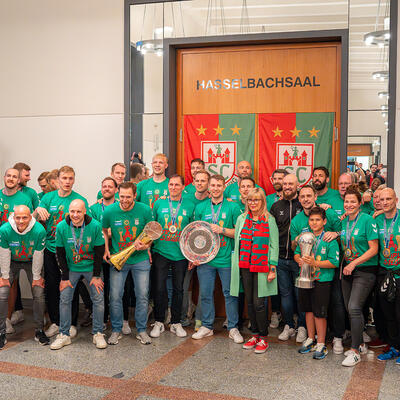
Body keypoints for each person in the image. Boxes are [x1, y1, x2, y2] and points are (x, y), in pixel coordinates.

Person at [35, 166, 89, 338]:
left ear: (74, 180)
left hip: (70, 251)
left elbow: (86, 226)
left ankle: (71, 323)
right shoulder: (48, 198)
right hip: (51, 248)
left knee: (69, 286)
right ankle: (56, 322)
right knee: (51, 287)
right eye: (64, 178)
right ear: (57, 180)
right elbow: (35, 218)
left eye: (70, 178)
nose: (67, 182)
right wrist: (37, 211)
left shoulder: (79, 200)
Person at [191, 175, 243, 343]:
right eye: (212, 185)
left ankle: (233, 327)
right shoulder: (200, 207)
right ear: (208, 187)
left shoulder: (233, 207)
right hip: (206, 260)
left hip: (226, 258)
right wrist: (195, 256)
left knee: (230, 294)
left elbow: (239, 233)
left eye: (218, 185)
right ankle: (207, 326)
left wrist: (222, 230)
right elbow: (194, 233)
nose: (215, 188)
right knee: (205, 294)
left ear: (223, 187)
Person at [50, 200, 106, 350]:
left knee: (98, 298)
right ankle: (64, 335)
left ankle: (98, 333)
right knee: (65, 298)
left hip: (91, 267)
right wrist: (64, 278)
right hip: (71, 268)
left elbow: (100, 252)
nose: (75, 215)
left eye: (79, 212)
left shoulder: (94, 225)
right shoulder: (62, 226)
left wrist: (96, 276)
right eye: (72, 211)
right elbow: (60, 254)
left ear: (85, 211)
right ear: (69, 211)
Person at [102, 182, 153, 345]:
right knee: (115, 296)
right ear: (118, 194)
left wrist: (147, 245)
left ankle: (142, 330)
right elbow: (103, 230)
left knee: (142, 295)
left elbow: (151, 232)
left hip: (141, 260)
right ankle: (116, 330)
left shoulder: (144, 210)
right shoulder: (109, 211)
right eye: (121, 196)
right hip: (119, 260)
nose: (124, 200)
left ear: (135, 195)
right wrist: (106, 249)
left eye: (128, 197)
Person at [230, 188, 279, 353]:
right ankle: (255, 335)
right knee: (249, 302)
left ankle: (264, 337)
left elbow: (274, 245)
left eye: (256, 200)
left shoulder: (269, 219)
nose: (252, 203)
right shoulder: (241, 218)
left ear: (262, 201)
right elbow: (237, 242)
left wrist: (272, 268)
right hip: (245, 265)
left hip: (262, 267)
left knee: (259, 304)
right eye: (250, 200)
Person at [150, 175, 195, 338]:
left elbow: (192, 231)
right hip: (161, 251)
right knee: (159, 288)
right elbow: (152, 228)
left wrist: (192, 255)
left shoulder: (190, 204)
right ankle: (159, 322)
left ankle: (176, 322)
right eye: (171, 184)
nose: (173, 187)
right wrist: (149, 248)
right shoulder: (159, 203)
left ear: (183, 187)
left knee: (178, 289)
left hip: (181, 254)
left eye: (177, 185)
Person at [340, 184, 378, 367]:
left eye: (352, 201)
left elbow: (374, 249)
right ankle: (361, 344)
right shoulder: (343, 221)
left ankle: (354, 351)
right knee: (350, 308)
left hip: (364, 270)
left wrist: (354, 263)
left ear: (360, 202)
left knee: (355, 307)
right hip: (348, 270)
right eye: (346, 201)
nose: (349, 204)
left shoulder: (367, 220)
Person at [0, 206, 48, 349]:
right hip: (12, 261)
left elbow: (39, 255)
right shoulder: (5, 229)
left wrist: (37, 277)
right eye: (18, 217)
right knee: (2, 292)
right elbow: (4, 254)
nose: (21, 221)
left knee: (38, 292)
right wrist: (4, 276)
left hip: (31, 261)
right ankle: (1, 332)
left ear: (30, 217)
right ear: (13, 217)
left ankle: (39, 330)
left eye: (25, 217)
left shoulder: (39, 230)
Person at [295, 207, 339, 360]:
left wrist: (315, 262)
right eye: (311, 219)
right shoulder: (305, 236)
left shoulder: (329, 240)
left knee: (320, 313)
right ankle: (311, 338)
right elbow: (296, 253)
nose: (314, 222)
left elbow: (334, 262)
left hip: (322, 280)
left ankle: (321, 343)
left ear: (324, 221)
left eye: (317, 220)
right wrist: (299, 260)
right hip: (306, 278)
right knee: (308, 310)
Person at [269, 174, 306, 343]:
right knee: (285, 294)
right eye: (285, 184)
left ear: (297, 185)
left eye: (291, 183)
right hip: (281, 259)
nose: (287, 186)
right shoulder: (276, 206)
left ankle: (302, 327)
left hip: (300, 260)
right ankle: (289, 325)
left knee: (301, 296)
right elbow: (271, 233)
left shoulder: (304, 204)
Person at [375, 189, 400, 362]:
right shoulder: (376, 220)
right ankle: (395, 347)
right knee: (388, 313)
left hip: (399, 273)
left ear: (396, 200)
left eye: (388, 199)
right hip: (384, 273)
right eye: (382, 199)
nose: (385, 202)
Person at [90, 177, 119, 327]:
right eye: (104, 186)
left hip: (117, 254)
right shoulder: (93, 209)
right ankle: (101, 319)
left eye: (110, 186)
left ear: (116, 190)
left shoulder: (120, 207)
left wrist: (108, 232)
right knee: (100, 288)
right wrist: (107, 232)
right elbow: (94, 231)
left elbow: (118, 232)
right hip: (98, 254)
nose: (107, 188)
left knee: (115, 290)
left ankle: (117, 321)